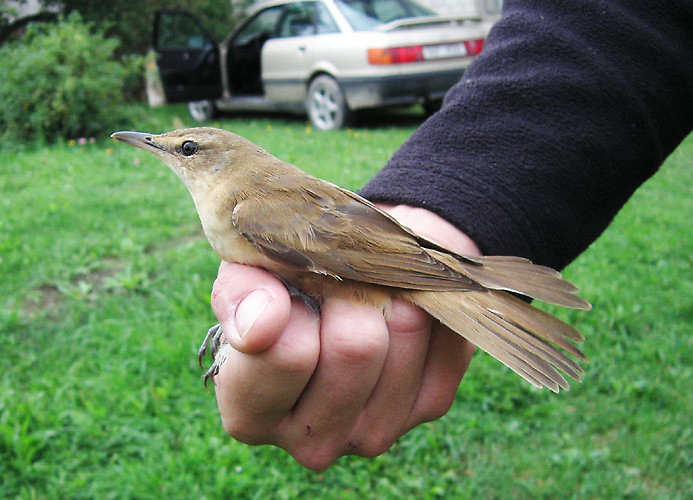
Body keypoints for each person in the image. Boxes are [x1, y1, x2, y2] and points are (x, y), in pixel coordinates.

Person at [209, 0, 693, 471]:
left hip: (379, 265)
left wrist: (446, 272)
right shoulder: (247, 199)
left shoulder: (247, 208)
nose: (158, 149)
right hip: (394, 249)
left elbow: (347, 259)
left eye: (185, 149)